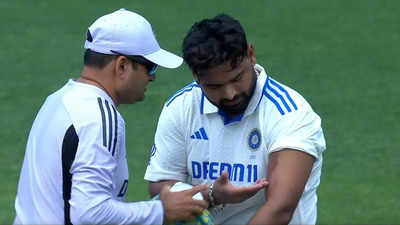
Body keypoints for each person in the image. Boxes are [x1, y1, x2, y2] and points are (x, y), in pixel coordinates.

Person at [13, 8, 211, 225]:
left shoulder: (57, 100)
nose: (153, 77)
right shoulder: (99, 117)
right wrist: (160, 211)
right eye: (150, 67)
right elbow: (90, 213)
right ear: (122, 65)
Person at [144, 14, 326, 225]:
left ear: (251, 54)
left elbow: (279, 208)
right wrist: (212, 195)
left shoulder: (291, 113)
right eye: (215, 86)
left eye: (237, 78)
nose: (230, 94)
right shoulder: (180, 107)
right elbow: (161, 187)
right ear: (196, 75)